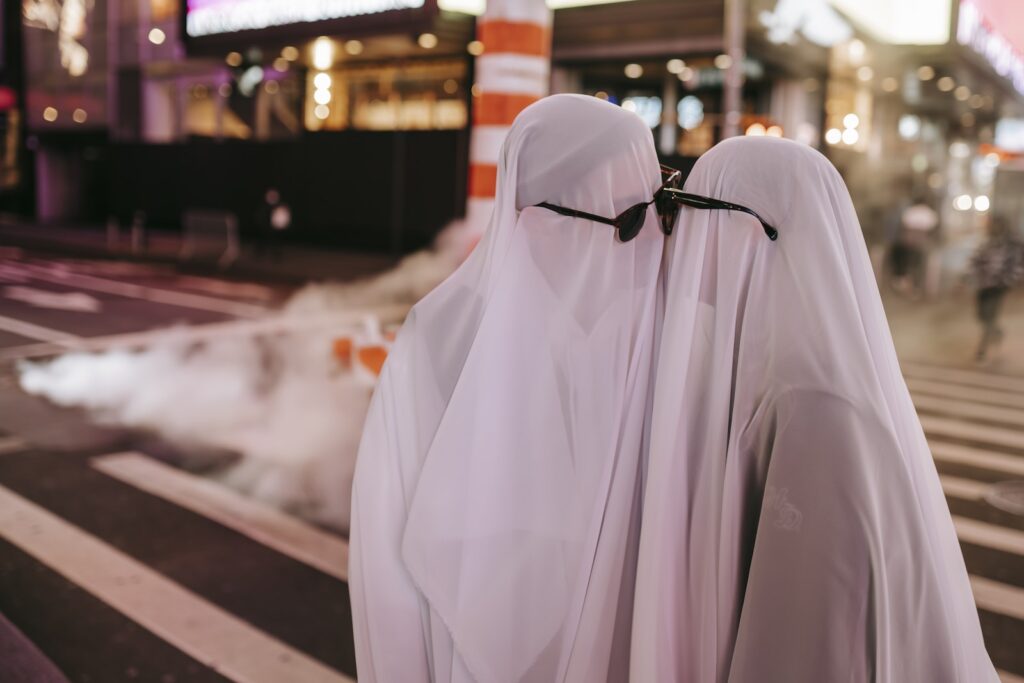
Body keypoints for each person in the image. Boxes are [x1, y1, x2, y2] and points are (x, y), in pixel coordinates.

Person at [631, 136, 997, 682]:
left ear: (754, 231)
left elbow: (812, 646)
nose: (682, 237)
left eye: (696, 215)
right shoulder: (758, 364)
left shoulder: (817, 405)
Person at [349, 94, 666, 682]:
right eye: (630, 216)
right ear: (547, 212)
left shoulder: (650, 330)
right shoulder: (440, 338)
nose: (653, 240)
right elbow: (387, 563)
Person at [970, 215, 1023, 362]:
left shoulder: (1011, 245)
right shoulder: (985, 243)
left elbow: (1016, 265)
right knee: (982, 316)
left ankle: (982, 350)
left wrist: (1011, 281)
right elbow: (975, 261)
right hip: (983, 286)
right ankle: (997, 332)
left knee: (989, 317)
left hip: (998, 287)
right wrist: (966, 279)